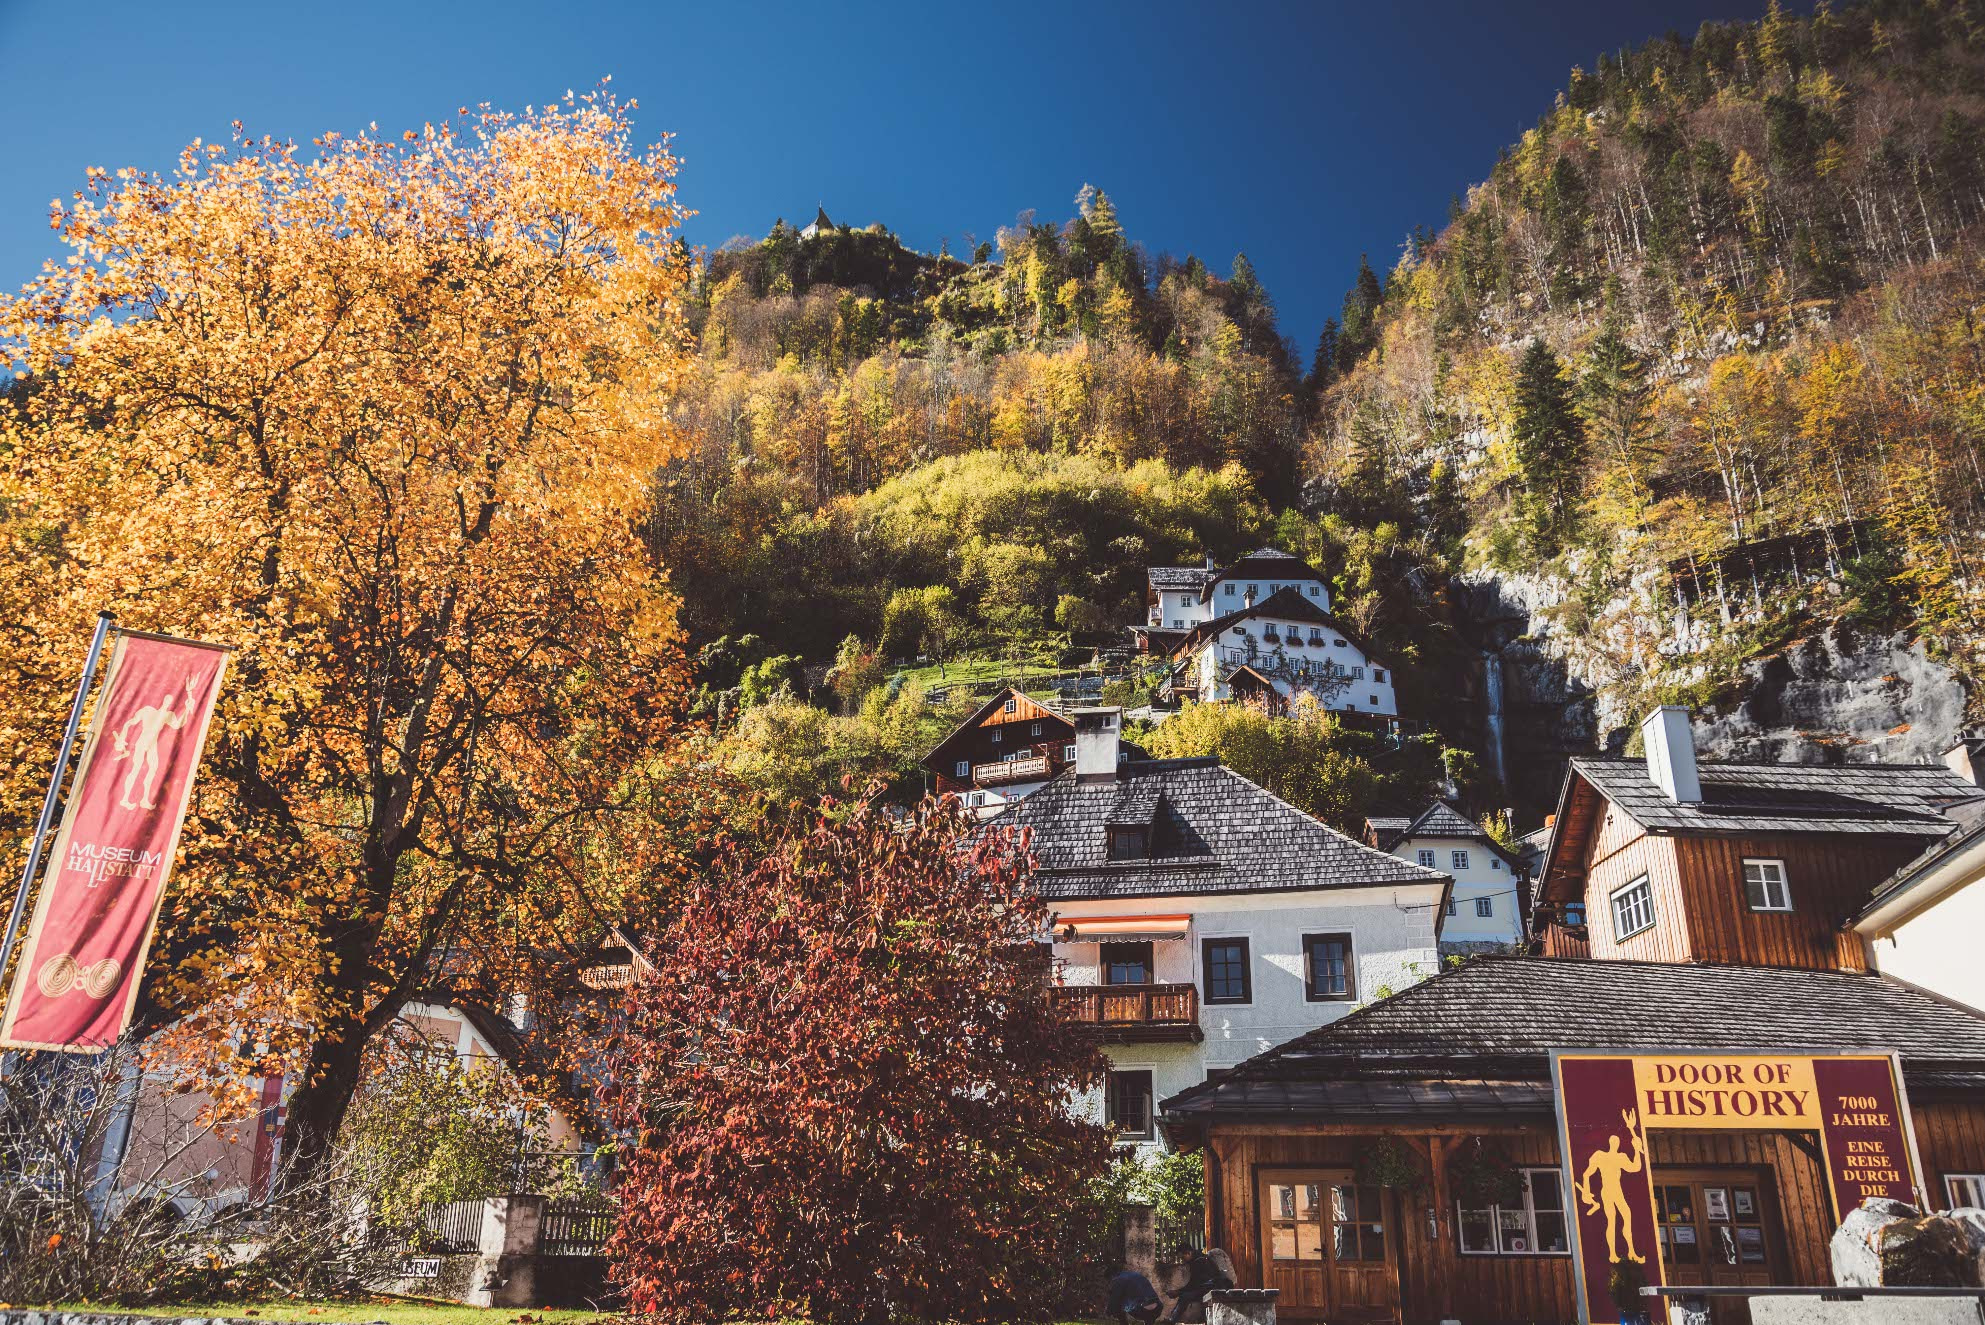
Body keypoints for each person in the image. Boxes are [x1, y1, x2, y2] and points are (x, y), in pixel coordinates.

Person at [1166, 1248, 1233, 1324]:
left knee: (1184, 1297)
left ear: (1189, 1253)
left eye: (1182, 1257)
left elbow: (1194, 1284)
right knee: (1185, 1295)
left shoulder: (1198, 1261)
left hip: (1213, 1287)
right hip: (1210, 1286)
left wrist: (1178, 1292)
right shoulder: (1201, 1258)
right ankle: (1172, 1319)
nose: (1182, 1260)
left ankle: (1171, 1321)